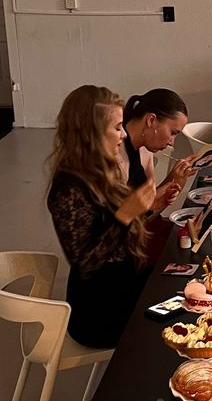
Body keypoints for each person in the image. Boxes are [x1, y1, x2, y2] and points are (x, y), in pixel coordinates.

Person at [47, 86, 155, 347]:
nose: (124, 134)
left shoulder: (102, 170)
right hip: (98, 311)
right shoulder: (68, 188)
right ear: (91, 133)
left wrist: (146, 207)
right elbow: (86, 263)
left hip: (123, 285)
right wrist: (125, 215)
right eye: (117, 127)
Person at [120, 88, 195, 212]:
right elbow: (119, 220)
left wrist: (175, 179)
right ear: (151, 120)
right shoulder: (116, 154)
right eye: (172, 133)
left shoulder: (145, 150)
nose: (172, 142)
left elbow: (148, 208)